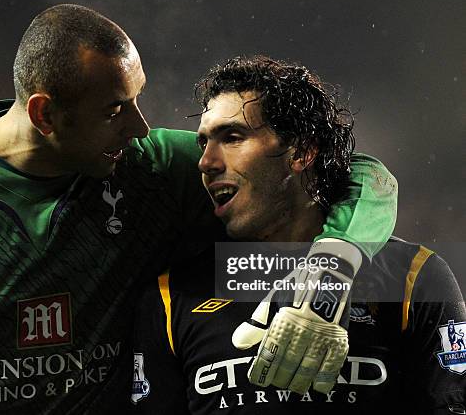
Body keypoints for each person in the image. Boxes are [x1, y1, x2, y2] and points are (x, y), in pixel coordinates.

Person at [0, 5, 398, 413]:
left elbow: (356, 172)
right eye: (116, 109)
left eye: (137, 99)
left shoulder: (146, 166)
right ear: (45, 114)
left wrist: (332, 262)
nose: (139, 126)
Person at [131, 56, 466, 414]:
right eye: (203, 144)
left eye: (232, 137)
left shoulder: (415, 276)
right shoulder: (170, 295)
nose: (206, 162)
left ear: (302, 151)